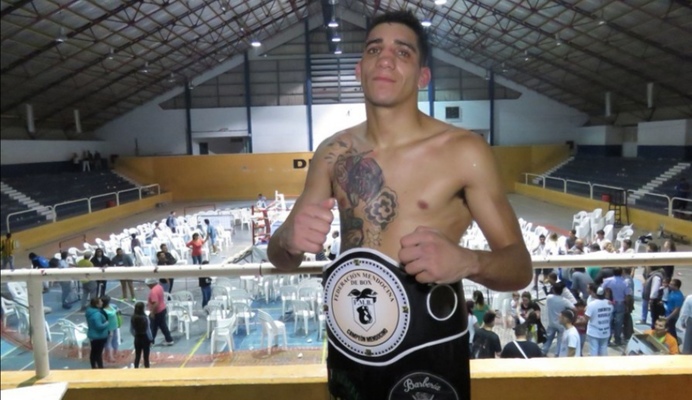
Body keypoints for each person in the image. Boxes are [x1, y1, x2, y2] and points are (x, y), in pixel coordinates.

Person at [267, 10, 531, 399]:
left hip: (430, 344)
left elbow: (519, 266)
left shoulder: (464, 152)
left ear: (423, 76)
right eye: (375, 49)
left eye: (402, 52)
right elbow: (281, 257)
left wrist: (469, 261)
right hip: (350, 345)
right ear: (359, 69)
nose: (386, 59)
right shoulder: (332, 153)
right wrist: (287, 239)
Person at [542, 282, 575, 357]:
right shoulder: (564, 300)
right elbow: (574, 308)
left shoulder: (549, 297)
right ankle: (557, 354)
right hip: (561, 323)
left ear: (553, 290)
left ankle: (543, 352)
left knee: (548, 339)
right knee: (560, 341)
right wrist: (573, 319)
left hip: (551, 323)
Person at [584, 286, 613, 356]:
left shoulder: (592, 304)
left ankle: (594, 363)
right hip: (605, 331)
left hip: (594, 331)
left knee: (593, 349)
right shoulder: (610, 304)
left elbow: (586, 318)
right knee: (603, 349)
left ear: (596, 294)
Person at [145, 278, 174, 346]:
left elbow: (156, 303)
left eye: (148, 285)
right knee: (162, 326)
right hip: (162, 309)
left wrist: (152, 312)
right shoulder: (159, 287)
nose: (148, 286)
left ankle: (151, 342)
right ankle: (169, 339)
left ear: (151, 284)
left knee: (153, 327)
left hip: (157, 312)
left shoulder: (153, 291)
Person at [85, 297, 109, 368]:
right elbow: (99, 326)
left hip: (93, 336)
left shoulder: (90, 311)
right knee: (98, 354)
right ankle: (100, 368)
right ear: (97, 304)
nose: (102, 303)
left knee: (93, 353)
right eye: (100, 302)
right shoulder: (96, 315)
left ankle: (93, 367)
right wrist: (107, 323)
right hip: (99, 337)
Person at [130, 301, 153, 368]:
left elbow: (131, 330)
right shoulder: (145, 318)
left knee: (137, 355)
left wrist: (136, 335)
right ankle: (147, 369)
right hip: (145, 338)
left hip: (137, 338)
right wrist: (151, 339)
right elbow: (148, 330)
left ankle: (136, 368)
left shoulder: (133, 317)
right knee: (146, 357)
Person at [101, 295, 121, 363]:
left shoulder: (112, 306)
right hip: (108, 329)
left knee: (115, 340)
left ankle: (115, 352)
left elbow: (117, 309)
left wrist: (117, 310)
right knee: (108, 343)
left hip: (114, 326)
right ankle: (110, 356)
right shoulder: (103, 311)